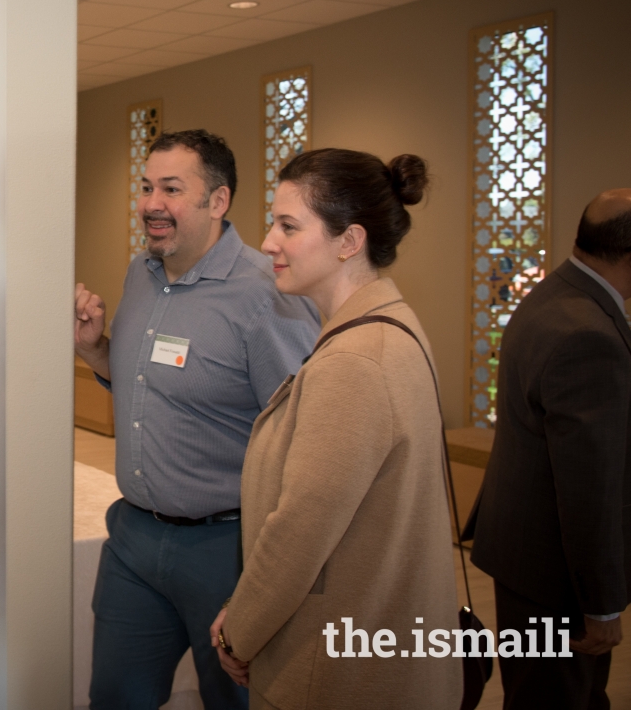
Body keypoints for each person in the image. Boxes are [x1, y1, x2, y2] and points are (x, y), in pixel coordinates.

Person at [74, 129, 320, 710]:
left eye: (172, 189)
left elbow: (302, 438)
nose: (151, 203)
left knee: (236, 701)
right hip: (134, 538)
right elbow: (146, 385)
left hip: (227, 550)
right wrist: (94, 349)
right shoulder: (142, 273)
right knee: (113, 697)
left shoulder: (268, 294)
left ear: (217, 201)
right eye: (146, 187)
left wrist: (268, 577)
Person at [209, 148, 461, 710]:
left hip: (338, 668)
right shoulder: (390, 324)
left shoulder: (355, 362)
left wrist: (238, 632)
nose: (268, 241)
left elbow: (299, 533)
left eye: (288, 226)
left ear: (349, 241)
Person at [468, 189, 631, 709]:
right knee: (560, 698)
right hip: (556, 574)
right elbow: (587, 486)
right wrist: (602, 605)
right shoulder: (590, 334)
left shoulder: (552, 295)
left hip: (521, 552)